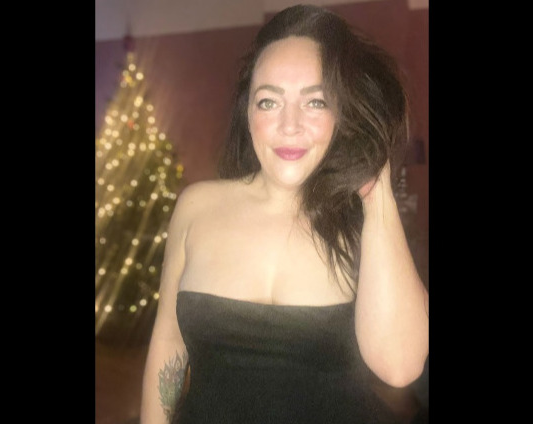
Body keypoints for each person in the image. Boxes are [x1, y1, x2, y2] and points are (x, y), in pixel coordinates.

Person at [140, 4, 428, 423]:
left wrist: (376, 186)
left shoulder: (366, 225)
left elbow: (399, 367)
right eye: (269, 101)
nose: (289, 125)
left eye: (316, 101)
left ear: (342, 114)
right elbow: (168, 342)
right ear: (248, 113)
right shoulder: (197, 207)